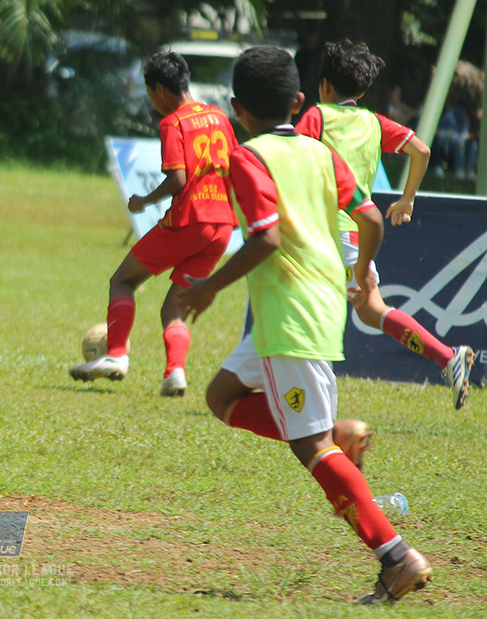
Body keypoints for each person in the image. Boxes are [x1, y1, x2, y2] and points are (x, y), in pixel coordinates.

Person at [178, 45, 431, 605]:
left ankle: (397, 558)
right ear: (297, 100)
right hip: (311, 306)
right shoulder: (321, 154)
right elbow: (369, 216)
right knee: (221, 396)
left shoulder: (248, 158)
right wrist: (361, 270)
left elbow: (265, 237)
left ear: (236, 108)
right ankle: (333, 434)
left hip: (287, 316)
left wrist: (208, 287)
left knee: (311, 450)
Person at [296, 39, 474, 409]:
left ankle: (302, 397)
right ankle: (447, 356)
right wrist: (407, 198)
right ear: (362, 90)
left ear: (324, 85)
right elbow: (421, 151)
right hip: (358, 231)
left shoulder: (317, 117)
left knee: (319, 304)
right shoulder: (373, 123)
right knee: (369, 309)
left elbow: (291, 155)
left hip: (327, 233)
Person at [68, 49, 238, 396]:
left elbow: (178, 179)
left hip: (188, 221)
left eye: (150, 93)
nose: (153, 102)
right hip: (222, 226)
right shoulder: (219, 116)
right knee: (173, 308)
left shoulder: (173, 122)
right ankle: (175, 374)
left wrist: (143, 201)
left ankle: (116, 355)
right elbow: (235, 167)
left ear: (160, 89)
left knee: (123, 281)